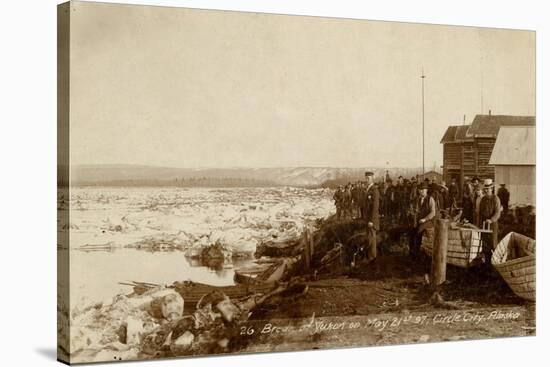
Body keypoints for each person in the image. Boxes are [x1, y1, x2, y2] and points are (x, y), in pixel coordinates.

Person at [409, 182, 436, 257]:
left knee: (419, 230)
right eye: (420, 190)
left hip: (429, 221)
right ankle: (411, 252)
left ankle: (417, 252)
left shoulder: (430, 199)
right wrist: (413, 213)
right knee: (412, 231)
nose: (421, 191)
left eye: (423, 190)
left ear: (426, 190)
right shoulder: (418, 199)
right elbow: (416, 210)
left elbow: (433, 212)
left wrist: (425, 219)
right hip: (420, 220)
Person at [479, 179, 502, 264]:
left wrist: (491, 220)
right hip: (484, 224)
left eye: (488, 189)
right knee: (485, 244)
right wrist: (480, 224)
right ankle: (487, 263)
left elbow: (497, 213)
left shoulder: (496, 199)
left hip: (493, 224)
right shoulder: (483, 199)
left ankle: (495, 263)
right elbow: (480, 213)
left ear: (491, 188)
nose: (486, 190)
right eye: (485, 189)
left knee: (493, 243)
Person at [363, 171, 380, 260]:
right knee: (369, 237)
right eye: (366, 178)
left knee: (372, 239)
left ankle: (373, 258)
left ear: (372, 178)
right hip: (368, 219)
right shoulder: (368, 189)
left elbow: (375, 207)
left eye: (368, 178)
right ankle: (370, 256)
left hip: (371, 220)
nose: (366, 180)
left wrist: (372, 221)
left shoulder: (374, 190)